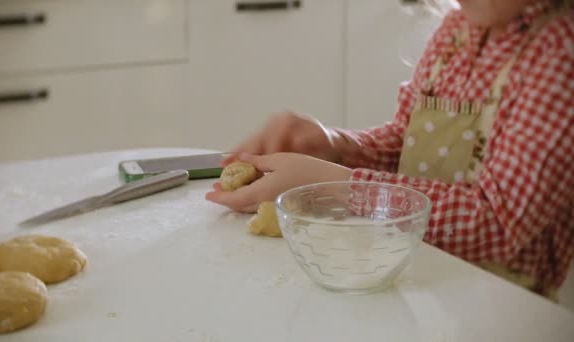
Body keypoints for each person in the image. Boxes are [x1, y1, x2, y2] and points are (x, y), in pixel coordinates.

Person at [206, 0, 574, 300]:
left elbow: (496, 224)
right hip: (421, 275)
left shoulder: (560, 52)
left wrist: (341, 187)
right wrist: (336, 145)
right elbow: (405, 142)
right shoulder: (454, 33)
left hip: (503, 303)